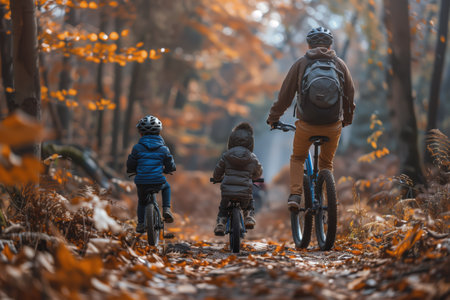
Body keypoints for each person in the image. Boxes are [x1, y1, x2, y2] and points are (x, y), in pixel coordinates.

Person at [266, 27, 355, 210]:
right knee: (326, 163)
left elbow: (285, 96)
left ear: (309, 44)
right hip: (332, 125)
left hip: (306, 125)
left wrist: (274, 118)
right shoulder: (340, 64)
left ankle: (295, 196)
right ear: (330, 45)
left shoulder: (301, 64)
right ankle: (326, 201)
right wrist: (347, 118)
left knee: (298, 157)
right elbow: (350, 95)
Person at [126, 115, 176, 233]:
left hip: (142, 181)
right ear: (159, 132)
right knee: (166, 187)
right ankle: (166, 209)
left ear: (140, 133)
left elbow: (131, 163)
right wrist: (168, 169)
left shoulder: (137, 148)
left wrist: (131, 170)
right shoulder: (164, 149)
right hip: (157, 180)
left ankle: (141, 224)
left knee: (142, 202)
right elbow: (170, 164)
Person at [212, 122, 263, 236]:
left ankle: (220, 223)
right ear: (251, 142)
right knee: (249, 202)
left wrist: (216, 178)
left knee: (223, 207)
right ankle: (249, 216)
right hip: (245, 191)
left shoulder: (226, 155)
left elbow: (218, 170)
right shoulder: (251, 157)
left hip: (227, 191)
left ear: (231, 141)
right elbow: (258, 171)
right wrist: (254, 177)